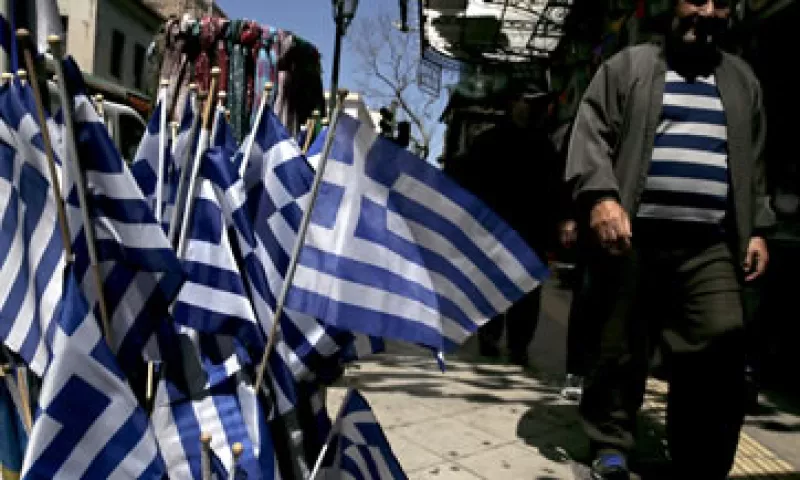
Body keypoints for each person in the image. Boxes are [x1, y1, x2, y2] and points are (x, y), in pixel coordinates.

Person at [564, 1, 775, 478]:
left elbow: (756, 162)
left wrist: (759, 227)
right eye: (694, 0)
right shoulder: (630, 66)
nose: (705, 11)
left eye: (718, 3)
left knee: (720, 349)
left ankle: (700, 459)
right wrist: (600, 196)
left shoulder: (742, 81)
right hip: (633, 237)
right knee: (619, 347)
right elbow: (591, 132)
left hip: (712, 246)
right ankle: (610, 442)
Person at [446, 81, 566, 367]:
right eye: (527, 101)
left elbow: (553, 190)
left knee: (527, 291)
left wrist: (554, 229)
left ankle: (518, 346)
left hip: (531, 231)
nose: (533, 109)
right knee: (492, 286)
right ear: (513, 104)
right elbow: (466, 181)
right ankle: (489, 337)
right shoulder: (488, 142)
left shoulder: (544, 145)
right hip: (495, 228)